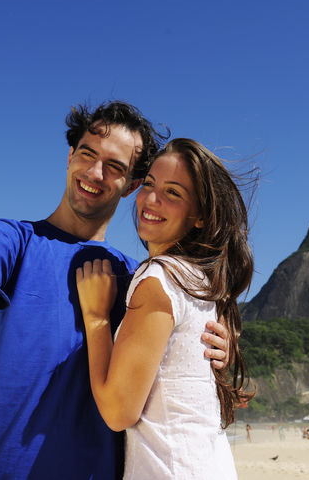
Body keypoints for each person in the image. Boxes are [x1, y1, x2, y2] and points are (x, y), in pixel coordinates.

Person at [0, 102, 230, 479]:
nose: (94, 172)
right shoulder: (17, 240)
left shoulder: (137, 278)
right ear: (70, 155)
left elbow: (173, 377)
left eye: (115, 167)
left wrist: (221, 348)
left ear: (132, 186)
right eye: (87, 153)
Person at [75, 138, 255, 479]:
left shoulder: (158, 277)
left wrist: (96, 318)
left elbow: (117, 412)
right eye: (149, 184)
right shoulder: (202, 281)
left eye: (173, 192)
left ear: (199, 215)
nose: (150, 199)